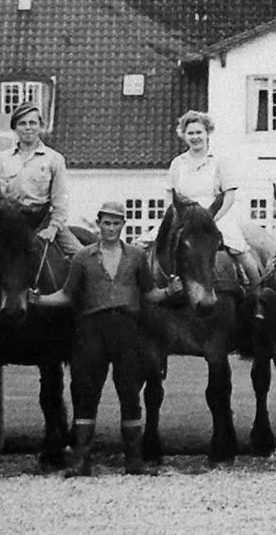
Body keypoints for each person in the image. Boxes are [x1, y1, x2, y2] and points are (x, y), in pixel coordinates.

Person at [38, 201, 176, 477]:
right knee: (87, 393)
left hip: (127, 329)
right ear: (99, 223)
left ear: (123, 225)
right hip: (92, 328)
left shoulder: (136, 256)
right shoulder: (82, 257)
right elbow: (66, 295)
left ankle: (134, 460)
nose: (110, 228)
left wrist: (171, 291)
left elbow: (149, 294)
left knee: (130, 393)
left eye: (116, 223)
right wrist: (38, 299)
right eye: (106, 223)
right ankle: (81, 461)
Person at [166, 110, 264, 287]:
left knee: (239, 249)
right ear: (184, 136)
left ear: (207, 133)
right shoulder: (178, 163)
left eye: (199, 132)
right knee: (147, 243)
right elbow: (170, 194)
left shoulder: (218, 161)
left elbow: (229, 196)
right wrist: (174, 216)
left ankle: (258, 292)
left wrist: (213, 219)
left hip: (215, 215)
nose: (195, 137)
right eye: (190, 133)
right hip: (183, 217)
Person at [0, 103, 81, 256]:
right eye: (22, 123)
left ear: (40, 126)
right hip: (7, 223)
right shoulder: (1, 159)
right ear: (14, 127)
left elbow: (60, 201)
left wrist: (53, 228)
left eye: (32, 123)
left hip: (42, 221)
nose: (28, 128)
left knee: (83, 258)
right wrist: (1, 218)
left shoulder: (54, 159)